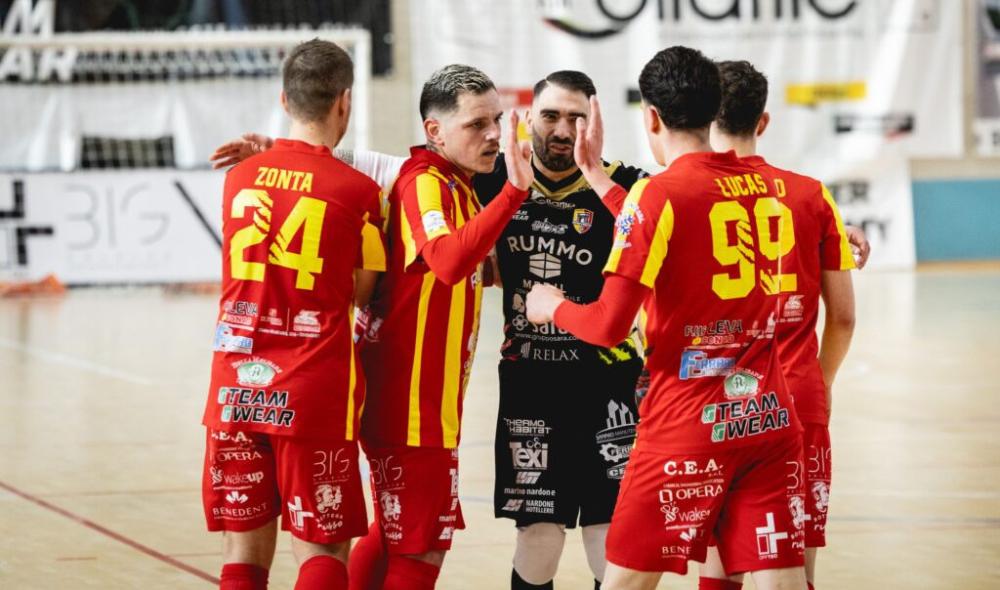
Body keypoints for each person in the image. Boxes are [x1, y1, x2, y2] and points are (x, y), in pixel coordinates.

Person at [526, 46, 808, 590]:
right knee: (782, 582)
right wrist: (597, 177)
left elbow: (608, 326)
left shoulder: (657, 196)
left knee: (625, 582)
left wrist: (550, 306)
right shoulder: (769, 187)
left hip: (687, 426)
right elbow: (684, 225)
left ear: (651, 117)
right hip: (768, 420)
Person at [201, 39, 386, 590]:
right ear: (345, 102)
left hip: (234, 388)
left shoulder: (239, 176)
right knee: (323, 547)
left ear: (284, 99)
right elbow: (362, 293)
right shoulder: (360, 192)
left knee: (243, 548)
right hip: (312, 391)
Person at [346, 64, 534, 590]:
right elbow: (448, 262)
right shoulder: (427, 183)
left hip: (418, 403)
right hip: (409, 406)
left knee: (394, 534)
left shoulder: (456, 184)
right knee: (422, 548)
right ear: (436, 131)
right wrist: (513, 194)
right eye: (477, 124)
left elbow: (459, 267)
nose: (494, 134)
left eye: (497, 120)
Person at [472, 71, 645, 590]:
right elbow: (406, 172)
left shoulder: (628, 185)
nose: (564, 130)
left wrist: (831, 232)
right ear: (530, 119)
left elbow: (696, 211)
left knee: (607, 535)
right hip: (531, 383)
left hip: (611, 383)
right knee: (539, 537)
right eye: (551, 116)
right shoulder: (497, 177)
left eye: (577, 118)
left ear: (596, 123)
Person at [695, 60, 857, 590]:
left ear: (702, 119)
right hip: (796, 395)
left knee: (719, 568)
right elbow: (844, 317)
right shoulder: (812, 195)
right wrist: (818, 382)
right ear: (762, 121)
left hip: (718, 399)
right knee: (790, 564)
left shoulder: (684, 195)